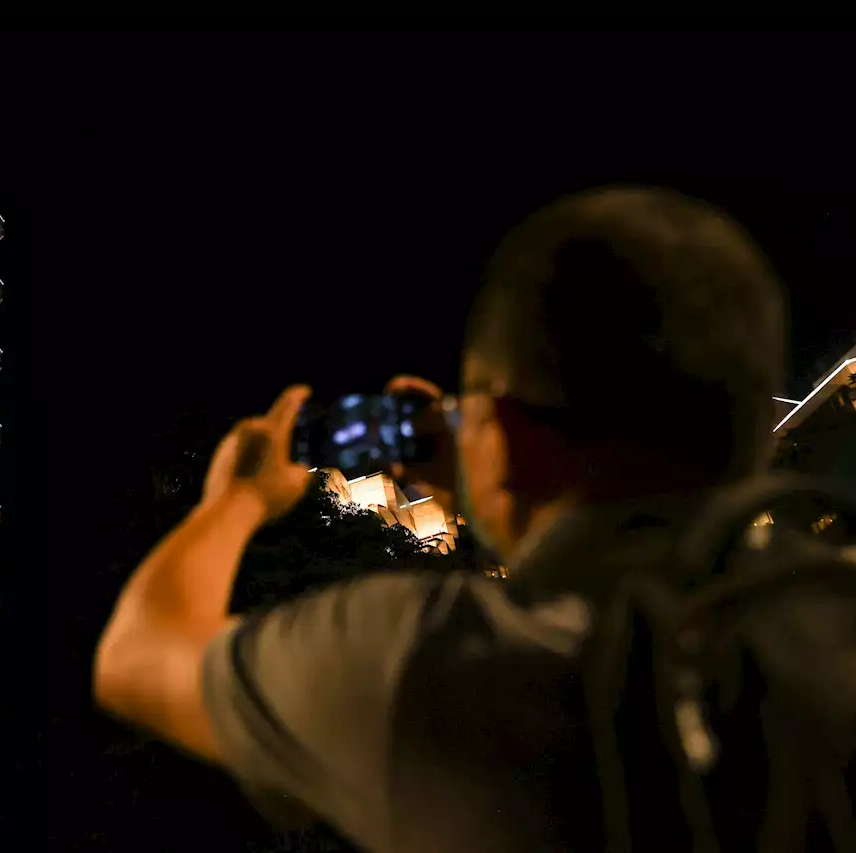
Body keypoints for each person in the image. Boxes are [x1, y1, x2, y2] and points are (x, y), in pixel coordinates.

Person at [93, 186, 788, 852]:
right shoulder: (822, 628)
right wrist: (499, 470)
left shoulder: (441, 661)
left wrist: (237, 498)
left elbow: (138, 656)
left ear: (513, 433)